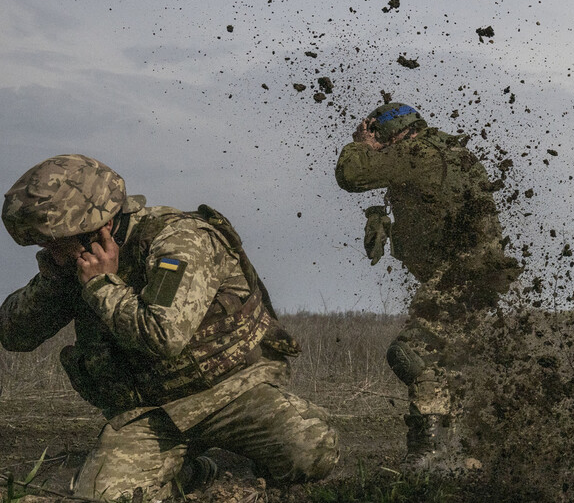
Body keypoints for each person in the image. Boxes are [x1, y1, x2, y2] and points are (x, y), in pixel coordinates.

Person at [0, 154, 338, 501]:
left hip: (234, 392)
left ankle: (239, 469)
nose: (48, 249)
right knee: (107, 496)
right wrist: (57, 279)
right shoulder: (77, 262)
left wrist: (102, 286)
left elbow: (164, 335)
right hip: (154, 413)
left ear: (94, 228)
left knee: (312, 450)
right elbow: (13, 334)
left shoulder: (179, 240)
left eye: (53, 240)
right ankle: (199, 471)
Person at [335, 102, 520, 469]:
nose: (380, 147)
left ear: (392, 133)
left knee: (411, 353)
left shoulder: (417, 150)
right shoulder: (447, 151)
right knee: (447, 364)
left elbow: (351, 175)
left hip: (463, 277)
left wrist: (360, 144)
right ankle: (465, 452)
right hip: (475, 276)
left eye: (379, 137)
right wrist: (382, 219)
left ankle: (432, 451)